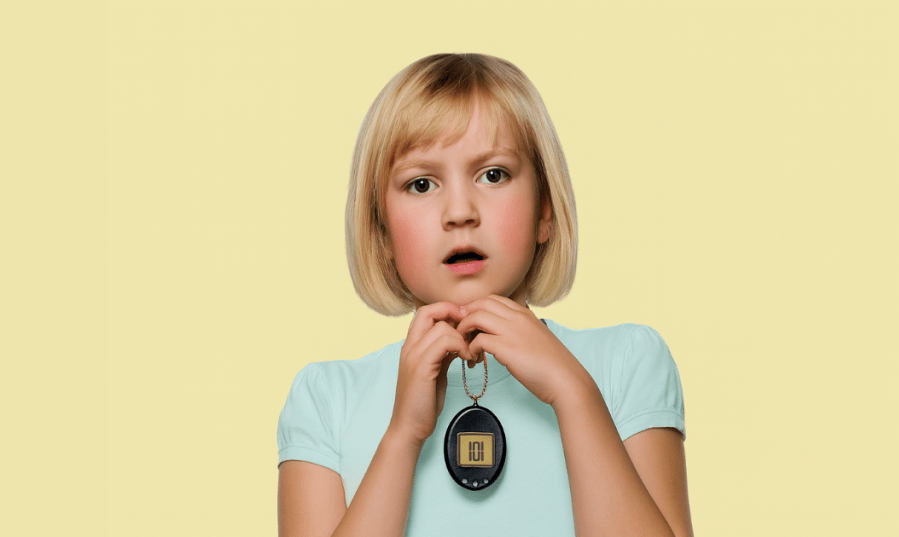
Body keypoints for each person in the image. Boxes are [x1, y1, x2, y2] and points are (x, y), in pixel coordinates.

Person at [277, 53, 693, 537]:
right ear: (382, 232)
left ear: (545, 210)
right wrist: (402, 437)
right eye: (421, 183)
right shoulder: (326, 400)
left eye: (493, 175)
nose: (459, 212)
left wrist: (573, 393)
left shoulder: (627, 362)